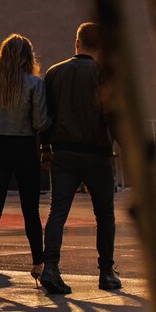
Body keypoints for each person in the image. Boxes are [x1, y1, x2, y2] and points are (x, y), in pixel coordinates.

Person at [39, 22, 120, 294]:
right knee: (104, 214)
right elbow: (113, 117)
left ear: (77, 43)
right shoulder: (105, 75)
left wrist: (44, 147)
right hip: (97, 154)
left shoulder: (54, 73)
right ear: (98, 47)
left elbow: (45, 116)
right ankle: (106, 272)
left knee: (57, 212)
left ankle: (51, 267)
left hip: (64, 153)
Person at [0, 34, 50, 292]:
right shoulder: (35, 84)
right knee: (30, 210)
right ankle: (39, 265)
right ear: (28, 57)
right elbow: (40, 122)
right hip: (24, 148)